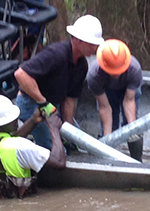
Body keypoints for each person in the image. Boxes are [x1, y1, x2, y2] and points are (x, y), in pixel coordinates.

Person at [13, 14, 104, 149]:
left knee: (77, 144)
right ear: (78, 40)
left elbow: (69, 99)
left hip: (52, 105)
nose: (94, 48)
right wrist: (42, 102)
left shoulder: (82, 66)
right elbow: (21, 74)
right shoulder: (56, 54)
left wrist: (68, 131)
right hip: (31, 104)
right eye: (91, 44)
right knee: (55, 150)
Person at [0, 94, 66, 199]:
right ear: (7, 122)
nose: (16, 120)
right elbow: (59, 161)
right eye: (13, 119)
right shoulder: (21, 147)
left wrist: (33, 121)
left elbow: (5, 141)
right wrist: (54, 129)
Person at [87, 39, 144, 161]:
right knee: (110, 128)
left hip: (128, 91)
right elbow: (105, 107)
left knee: (133, 129)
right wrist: (108, 139)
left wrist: (132, 127)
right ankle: (106, 158)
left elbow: (129, 100)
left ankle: (137, 160)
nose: (116, 75)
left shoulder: (134, 69)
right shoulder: (94, 75)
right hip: (107, 92)